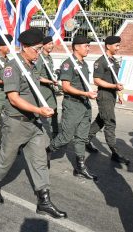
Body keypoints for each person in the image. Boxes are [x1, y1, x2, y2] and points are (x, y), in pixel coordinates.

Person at [0, 28, 67, 219]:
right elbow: (13, 99)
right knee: (6, 159)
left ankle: (44, 201)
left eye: (40, 49)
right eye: (37, 49)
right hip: (16, 123)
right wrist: (39, 110)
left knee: (39, 161)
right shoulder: (12, 67)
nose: (39, 52)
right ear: (25, 47)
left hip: (34, 124)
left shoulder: (32, 65)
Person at [49, 35, 98, 180]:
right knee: (65, 137)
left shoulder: (83, 64)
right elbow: (66, 87)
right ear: (76, 47)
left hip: (84, 104)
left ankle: (80, 167)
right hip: (72, 105)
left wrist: (88, 94)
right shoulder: (68, 64)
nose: (88, 48)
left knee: (81, 137)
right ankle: (47, 151)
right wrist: (85, 93)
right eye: (86, 45)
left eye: (89, 45)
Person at [86, 36, 130, 165]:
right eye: (116, 45)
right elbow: (97, 80)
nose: (118, 48)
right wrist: (114, 87)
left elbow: (115, 80)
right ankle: (115, 153)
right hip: (104, 95)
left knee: (101, 120)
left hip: (112, 95)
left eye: (118, 45)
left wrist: (120, 94)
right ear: (108, 46)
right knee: (110, 123)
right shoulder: (101, 61)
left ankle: (85, 140)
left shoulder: (113, 61)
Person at [36, 36, 59, 140]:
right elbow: (37, 76)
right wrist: (50, 81)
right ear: (43, 45)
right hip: (42, 89)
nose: (51, 45)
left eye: (52, 43)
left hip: (50, 89)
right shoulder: (40, 58)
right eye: (49, 44)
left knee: (54, 110)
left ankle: (55, 133)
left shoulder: (49, 57)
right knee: (40, 113)